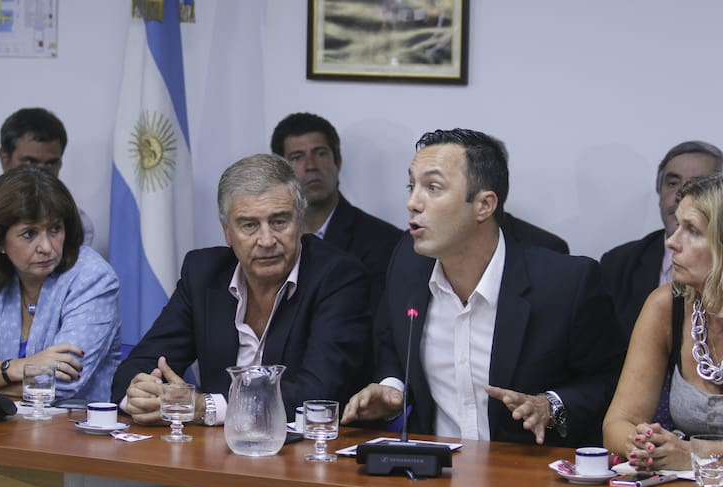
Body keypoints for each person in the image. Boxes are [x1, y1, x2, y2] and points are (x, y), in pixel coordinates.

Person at [341, 128, 623, 447]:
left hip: (524, 469)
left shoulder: (565, 283)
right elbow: (392, 343)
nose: (412, 203)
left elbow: (611, 380)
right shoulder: (407, 263)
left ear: (484, 205)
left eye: (433, 187)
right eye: (411, 186)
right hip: (435, 466)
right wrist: (393, 387)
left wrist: (551, 406)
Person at [112, 153, 372, 426]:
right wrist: (142, 396)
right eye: (249, 225)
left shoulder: (339, 277)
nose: (266, 240)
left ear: (300, 223)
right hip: (216, 447)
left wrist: (206, 408)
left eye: (279, 221)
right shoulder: (203, 274)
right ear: (227, 232)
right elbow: (135, 368)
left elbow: (318, 393)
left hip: (309, 446)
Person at [0, 167, 120, 402]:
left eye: (55, 229)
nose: (47, 247)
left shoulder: (92, 277)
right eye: (29, 234)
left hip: (70, 422)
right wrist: (15, 367)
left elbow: (61, 385)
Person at [603, 174, 723, 471]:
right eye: (677, 225)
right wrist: (643, 443)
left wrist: (693, 454)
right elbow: (618, 424)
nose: (671, 242)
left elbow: (687, 454)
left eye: (692, 230)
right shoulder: (666, 306)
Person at [0, 107, 95, 329]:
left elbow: (64, 294)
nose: (40, 172)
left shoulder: (77, 221)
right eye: (30, 162)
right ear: (5, 158)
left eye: (51, 163)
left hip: (46, 324)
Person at [270, 112, 402, 312]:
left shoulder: (384, 242)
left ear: (338, 162)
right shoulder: (268, 241)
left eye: (320, 153)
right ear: (281, 171)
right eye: (297, 157)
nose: (311, 166)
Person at [601, 141, 722, 344]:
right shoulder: (619, 264)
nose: (681, 195)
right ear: (659, 193)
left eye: (698, 185)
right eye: (672, 183)